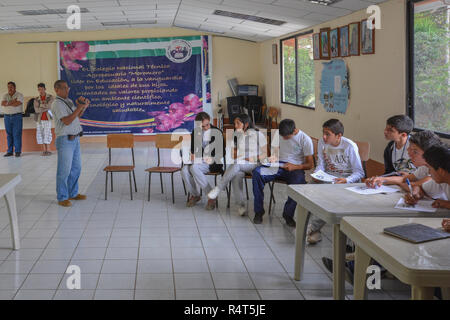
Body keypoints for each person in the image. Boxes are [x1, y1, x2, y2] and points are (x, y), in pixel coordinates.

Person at [307, 119, 365, 244]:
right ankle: (313, 229)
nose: (324, 136)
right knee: (307, 190)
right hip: (329, 177)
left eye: (328, 134)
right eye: (323, 132)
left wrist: (346, 180)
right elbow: (321, 164)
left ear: (339, 136)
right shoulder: (322, 142)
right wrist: (317, 174)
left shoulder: (349, 146)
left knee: (328, 197)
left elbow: (359, 173)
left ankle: (313, 229)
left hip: (346, 179)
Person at [252, 119, 314, 227]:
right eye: (282, 136)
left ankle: (288, 215)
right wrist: (272, 158)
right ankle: (259, 211)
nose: (284, 138)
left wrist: (295, 166)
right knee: (257, 173)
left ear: (294, 131)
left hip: (295, 168)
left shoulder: (305, 139)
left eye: (286, 137)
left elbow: (310, 165)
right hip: (278, 164)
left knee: (299, 182)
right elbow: (275, 152)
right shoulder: (280, 135)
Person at [207, 113, 266, 216]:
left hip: (256, 164)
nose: (235, 126)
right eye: (234, 124)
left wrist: (248, 158)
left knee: (237, 164)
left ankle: (219, 187)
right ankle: (241, 206)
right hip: (241, 165)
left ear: (246, 124)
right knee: (236, 175)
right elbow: (234, 156)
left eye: (238, 124)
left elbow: (265, 155)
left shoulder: (258, 134)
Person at [52, 80, 89, 207]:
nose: (67, 90)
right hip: (65, 140)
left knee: (76, 168)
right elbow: (67, 121)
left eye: (68, 88)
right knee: (64, 170)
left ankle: (73, 193)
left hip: (75, 139)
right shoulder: (57, 103)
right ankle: (62, 197)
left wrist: (83, 107)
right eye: (64, 88)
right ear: (57, 90)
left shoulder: (68, 101)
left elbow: (76, 116)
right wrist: (78, 108)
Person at [366, 130, 442, 190]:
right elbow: (404, 179)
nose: (409, 153)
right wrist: (381, 179)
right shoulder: (425, 167)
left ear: (429, 154)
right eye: (409, 148)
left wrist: (398, 183)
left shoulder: (438, 171)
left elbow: (413, 185)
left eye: (415, 151)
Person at [181, 112, 224, 210]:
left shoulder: (217, 132)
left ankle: (211, 197)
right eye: (202, 126)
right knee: (184, 170)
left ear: (210, 121)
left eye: (207, 125)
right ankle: (195, 195)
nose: (205, 128)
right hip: (199, 160)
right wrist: (192, 155)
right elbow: (193, 149)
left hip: (213, 162)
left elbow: (222, 152)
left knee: (194, 168)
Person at [405, 145, 450, 210]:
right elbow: (421, 188)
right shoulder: (443, 179)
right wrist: (416, 193)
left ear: (441, 171)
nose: (429, 173)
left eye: (430, 168)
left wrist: (447, 204)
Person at [1, 82, 24, 157]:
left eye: (11, 87)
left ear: (15, 87)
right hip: (7, 117)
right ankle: (10, 151)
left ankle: (17, 151)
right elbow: (3, 103)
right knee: (9, 134)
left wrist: (8, 103)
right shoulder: (5, 95)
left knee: (17, 134)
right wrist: (12, 101)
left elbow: (17, 103)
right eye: (8, 87)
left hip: (17, 116)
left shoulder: (19, 95)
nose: (9, 88)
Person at [33, 83, 54, 156]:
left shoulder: (50, 97)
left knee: (47, 133)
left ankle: (48, 150)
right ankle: (44, 150)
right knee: (40, 133)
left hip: (47, 118)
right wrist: (45, 107)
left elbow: (50, 106)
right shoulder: (36, 99)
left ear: (45, 89)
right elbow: (36, 110)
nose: (40, 91)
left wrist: (41, 106)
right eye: (39, 89)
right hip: (39, 119)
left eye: (42, 89)